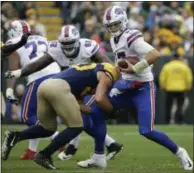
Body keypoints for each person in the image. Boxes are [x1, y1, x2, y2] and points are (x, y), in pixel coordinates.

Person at [77, 6, 193, 170]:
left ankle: (180, 152)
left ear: (124, 22)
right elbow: (122, 64)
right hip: (126, 85)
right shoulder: (113, 39)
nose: (113, 29)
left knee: (146, 131)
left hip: (142, 88)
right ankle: (99, 156)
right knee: (95, 107)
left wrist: (135, 68)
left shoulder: (131, 37)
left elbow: (154, 54)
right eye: (110, 26)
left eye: (116, 25)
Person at [5, 24, 122, 160]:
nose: (67, 47)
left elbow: (108, 67)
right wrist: (20, 72)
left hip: (91, 85)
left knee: (84, 119)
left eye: (70, 43)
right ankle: (100, 146)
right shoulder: (53, 47)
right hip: (72, 85)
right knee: (79, 121)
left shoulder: (88, 47)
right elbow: (40, 63)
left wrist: (109, 86)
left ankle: (79, 148)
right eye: (64, 44)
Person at [2, 62, 120, 170]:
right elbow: (99, 98)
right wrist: (112, 111)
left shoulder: (86, 78)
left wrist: (93, 111)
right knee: (77, 126)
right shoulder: (109, 71)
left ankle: (15, 136)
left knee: (47, 128)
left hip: (44, 86)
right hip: (58, 87)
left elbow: (79, 104)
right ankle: (44, 155)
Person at [4, 20, 61, 160]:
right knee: (39, 115)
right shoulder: (42, 38)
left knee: (26, 116)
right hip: (58, 75)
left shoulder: (14, 42)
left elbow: (13, 69)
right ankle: (31, 150)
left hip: (38, 77)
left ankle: (57, 137)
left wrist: (9, 90)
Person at [159, 52, 193, 124]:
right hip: (181, 89)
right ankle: (179, 121)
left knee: (168, 106)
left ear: (172, 58)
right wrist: (188, 87)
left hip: (169, 88)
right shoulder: (184, 66)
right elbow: (189, 78)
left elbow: (162, 78)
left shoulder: (167, 66)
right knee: (180, 106)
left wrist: (162, 86)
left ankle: (167, 121)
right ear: (179, 58)